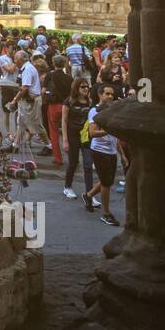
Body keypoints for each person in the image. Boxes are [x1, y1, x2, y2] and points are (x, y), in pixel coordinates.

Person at [85, 83, 121, 226]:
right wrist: (109, 130)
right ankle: (106, 213)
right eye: (107, 93)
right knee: (106, 183)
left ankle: (88, 196)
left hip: (111, 151)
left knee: (108, 181)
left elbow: (115, 136)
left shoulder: (112, 110)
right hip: (100, 151)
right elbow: (92, 133)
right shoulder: (95, 111)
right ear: (100, 94)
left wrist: (122, 154)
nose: (110, 96)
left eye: (112, 94)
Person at [60, 79, 95, 200]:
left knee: (88, 164)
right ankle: (67, 187)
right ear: (76, 88)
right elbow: (64, 121)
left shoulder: (89, 102)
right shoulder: (69, 102)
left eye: (87, 87)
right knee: (73, 162)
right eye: (82, 87)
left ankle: (89, 193)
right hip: (72, 135)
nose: (86, 89)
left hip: (85, 136)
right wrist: (65, 139)